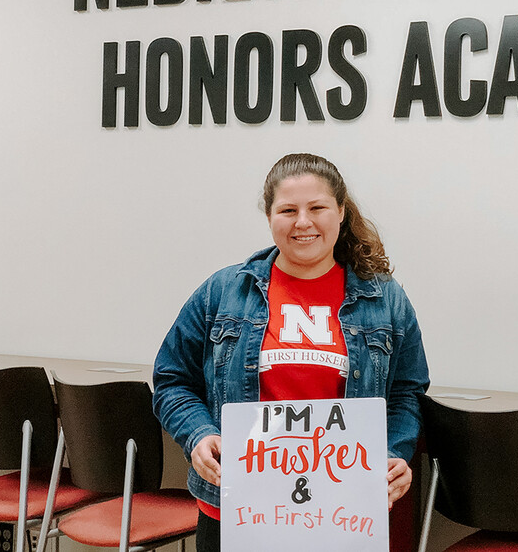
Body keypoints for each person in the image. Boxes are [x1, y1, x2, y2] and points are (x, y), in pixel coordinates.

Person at [152, 153, 430, 552]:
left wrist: (393, 454)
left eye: (317, 208)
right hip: (237, 511)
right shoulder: (222, 292)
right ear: (269, 218)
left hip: (343, 511)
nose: (303, 221)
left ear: (340, 213)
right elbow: (171, 381)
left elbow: (407, 393)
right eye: (288, 210)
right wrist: (199, 435)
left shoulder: (385, 299)